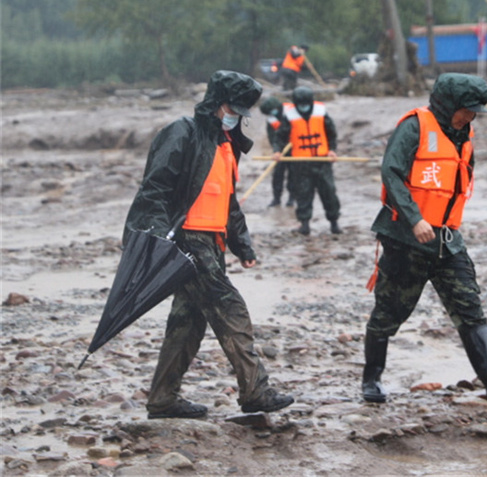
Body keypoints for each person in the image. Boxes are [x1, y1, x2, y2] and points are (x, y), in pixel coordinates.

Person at [123, 70, 294, 419]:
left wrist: (241, 246)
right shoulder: (183, 133)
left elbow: (228, 202)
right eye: (233, 109)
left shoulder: (226, 145)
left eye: (242, 113)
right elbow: (154, 189)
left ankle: (162, 399)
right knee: (230, 309)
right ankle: (255, 391)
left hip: (211, 241)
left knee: (187, 322)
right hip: (186, 239)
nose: (237, 118)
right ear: (217, 103)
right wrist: (153, 238)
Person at [362, 73, 487, 405]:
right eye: (467, 110)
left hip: (447, 240)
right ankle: (371, 379)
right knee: (389, 312)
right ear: (448, 105)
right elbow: (392, 172)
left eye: (475, 111)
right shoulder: (414, 126)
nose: (471, 116)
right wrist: (415, 219)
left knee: (469, 305)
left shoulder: (463, 135)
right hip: (406, 239)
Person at [277, 86, 342, 236]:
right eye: (300, 104)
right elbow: (280, 136)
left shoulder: (321, 111)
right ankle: (304, 224)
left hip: (322, 160)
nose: (303, 107)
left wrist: (332, 149)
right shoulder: (289, 115)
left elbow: (331, 133)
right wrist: (277, 151)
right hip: (301, 163)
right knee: (303, 193)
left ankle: (334, 222)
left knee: (329, 192)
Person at [259, 96, 295, 208]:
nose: (272, 113)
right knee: (277, 174)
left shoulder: (292, 111)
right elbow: (272, 137)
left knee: (293, 174)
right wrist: (276, 151)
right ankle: (276, 199)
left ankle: (292, 198)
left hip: (295, 147)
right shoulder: (271, 118)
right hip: (280, 149)